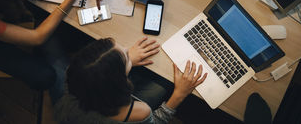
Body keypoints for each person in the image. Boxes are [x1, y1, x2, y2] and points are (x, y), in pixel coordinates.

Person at [54, 37, 208, 124]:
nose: (129, 51)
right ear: (119, 83)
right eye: (127, 55)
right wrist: (179, 95)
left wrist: (123, 61)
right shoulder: (138, 112)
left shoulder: (74, 75)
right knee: (164, 84)